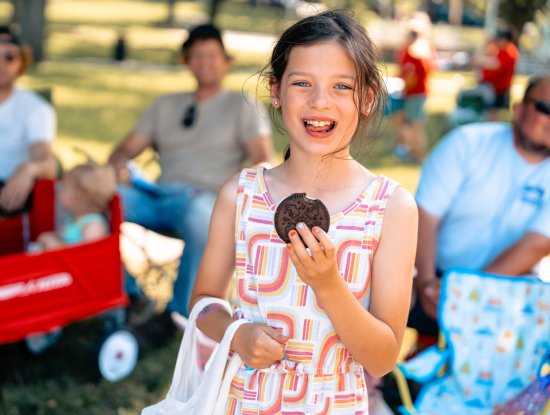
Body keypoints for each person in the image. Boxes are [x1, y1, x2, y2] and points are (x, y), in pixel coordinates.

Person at [190, 10, 418, 414]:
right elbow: (203, 303)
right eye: (302, 84)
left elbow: (383, 357)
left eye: (341, 86)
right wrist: (236, 333)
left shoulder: (390, 208)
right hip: (242, 403)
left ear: (367, 99)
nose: (319, 102)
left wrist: (328, 285)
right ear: (275, 90)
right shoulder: (239, 195)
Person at [108, 23, 275, 328]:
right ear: (186, 61)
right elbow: (124, 150)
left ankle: (179, 315)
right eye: (197, 55)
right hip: (157, 195)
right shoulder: (164, 105)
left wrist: (245, 186)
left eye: (212, 55)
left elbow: (264, 158)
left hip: (206, 199)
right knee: (99, 196)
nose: (205, 62)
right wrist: (117, 164)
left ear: (226, 61)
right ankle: (128, 293)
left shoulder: (242, 105)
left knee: (203, 217)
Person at [409, 75, 550, 338]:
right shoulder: (467, 143)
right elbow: (423, 216)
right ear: (518, 109)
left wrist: (465, 291)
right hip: (431, 270)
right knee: (383, 292)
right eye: (547, 108)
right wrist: (427, 283)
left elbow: (537, 245)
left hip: (503, 283)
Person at [0, 26, 57, 217]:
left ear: (21, 62)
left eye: (9, 57)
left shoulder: (36, 108)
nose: (1, 63)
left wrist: (29, 169)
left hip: (9, 191)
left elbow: (47, 161)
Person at [34, 163, 117, 250]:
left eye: (64, 187)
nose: (60, 190)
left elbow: (87, 255)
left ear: (78, 196)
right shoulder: (74, 219)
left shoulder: (93, 225)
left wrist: (55, 245)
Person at [393, 13, 437, 163]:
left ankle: (419, 155)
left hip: (415, 94)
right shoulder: (424, 48)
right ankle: (415, 153)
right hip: (418, 93)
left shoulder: (414, 51)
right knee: (413, 125)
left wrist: (402, 83)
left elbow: (410, 75)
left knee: (413, 126)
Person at [471, 21, 520, 121]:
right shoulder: (498, 49)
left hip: (499, 91)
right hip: (490, 88)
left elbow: (494, 64)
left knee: (493, 118)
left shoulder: (510, 51)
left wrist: (481, 59)